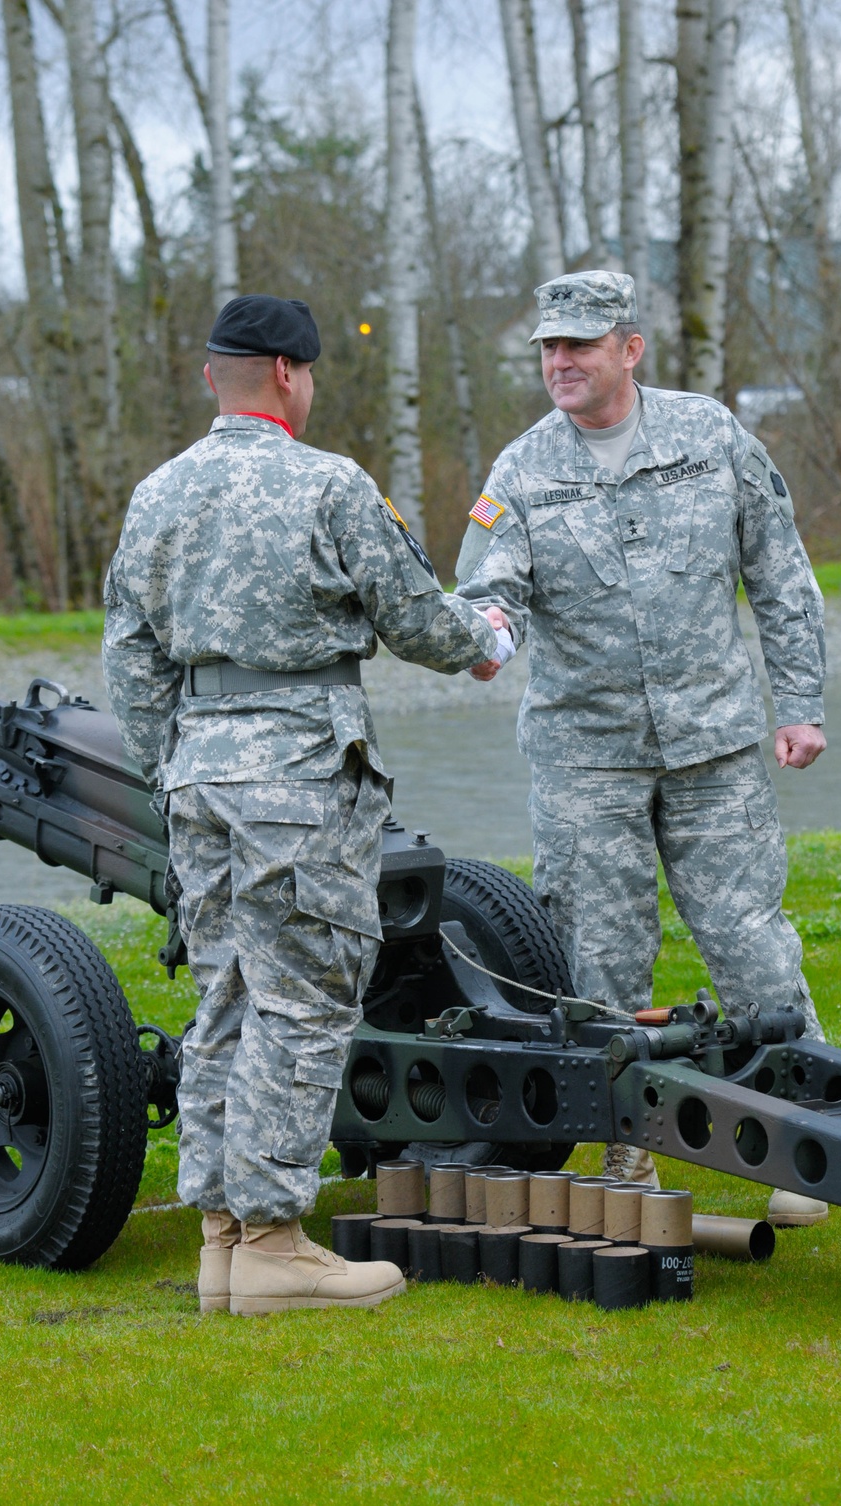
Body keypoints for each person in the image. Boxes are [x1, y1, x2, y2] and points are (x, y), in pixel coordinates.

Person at [103, 294, 501, 1315]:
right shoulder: (329, 485)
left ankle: (223, 1241)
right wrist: (486, 639)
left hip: (198, 772)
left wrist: (177, 760)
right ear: (289, 373)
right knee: (308, 996)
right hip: (300, 777)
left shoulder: (157, 494)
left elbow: (130, 658)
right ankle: (277, 1244)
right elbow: (416, 620)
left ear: (213, 376)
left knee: (227, 994)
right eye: (313, 375)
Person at [457, 270, 828, 1224]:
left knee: (756, 953)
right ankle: (627, 1163)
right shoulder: (523, 468)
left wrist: (801, 704)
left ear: (631, 348)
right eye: (548, 346)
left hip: (715, 747)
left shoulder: (708, 436)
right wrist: (488, 634)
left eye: (580, 344)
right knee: (602, 970)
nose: (560, 362)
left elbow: (780, 572)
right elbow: (491, 586)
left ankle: (799, 1144)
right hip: (589, 761)